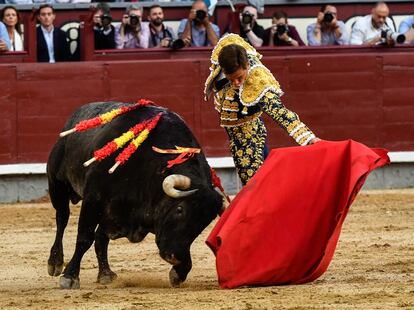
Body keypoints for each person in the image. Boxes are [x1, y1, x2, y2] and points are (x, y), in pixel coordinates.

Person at [204, 34, 320, 185]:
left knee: (255, 187)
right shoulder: (225, 57)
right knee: (263, 182)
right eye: (231, 78)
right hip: (237, 137)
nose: (237, 83)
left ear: (247, 65)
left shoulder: (258, 80)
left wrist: (308, 138)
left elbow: (280, 112)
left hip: (250, 137)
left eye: (239, 77)